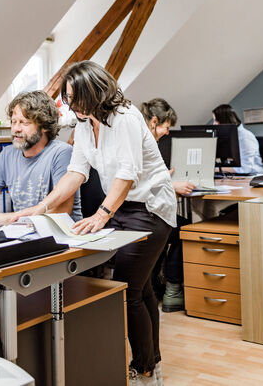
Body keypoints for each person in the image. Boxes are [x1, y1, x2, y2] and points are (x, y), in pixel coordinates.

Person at [27, 61, 175, 386]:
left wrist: (101, 215)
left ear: (95, 91)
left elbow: (127, 174)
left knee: (127, 289)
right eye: (68, 99)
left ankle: (143, 370)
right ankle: (152, 366)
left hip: (151, 206)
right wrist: (42, 206)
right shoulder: (84, 124)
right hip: (120, 206)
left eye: (76, 97)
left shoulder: (126, 118)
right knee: (142, 288)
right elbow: (76, 172)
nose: (72, 105)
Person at [0, 90, 81, 225]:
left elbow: (61, 211)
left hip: (61, 234)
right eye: (14, 122)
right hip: (23, 232)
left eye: (24, 123)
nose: (16, 129)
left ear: (44, 126)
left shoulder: (62, 153)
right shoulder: (7, 154)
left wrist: (1, 219)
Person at [140, 98, 195, 313]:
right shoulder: (142, 144)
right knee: (184, 229)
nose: (167, 132)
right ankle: (173, 290)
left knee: (176, 226)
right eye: (166, 127)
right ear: (154, 121)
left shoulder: (146, 143)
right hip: (145, 214)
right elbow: (140, 187)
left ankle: (159, 286)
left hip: (147, 212)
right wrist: (171, 186)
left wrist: (165, 179)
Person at [212, 104, 263, 175]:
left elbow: (245, 169)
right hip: (234, 175)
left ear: (224, 120)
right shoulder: (228, 136)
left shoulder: (245, 137)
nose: (214, 124)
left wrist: (215, 169)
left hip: (252, 176)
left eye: (216, 120)